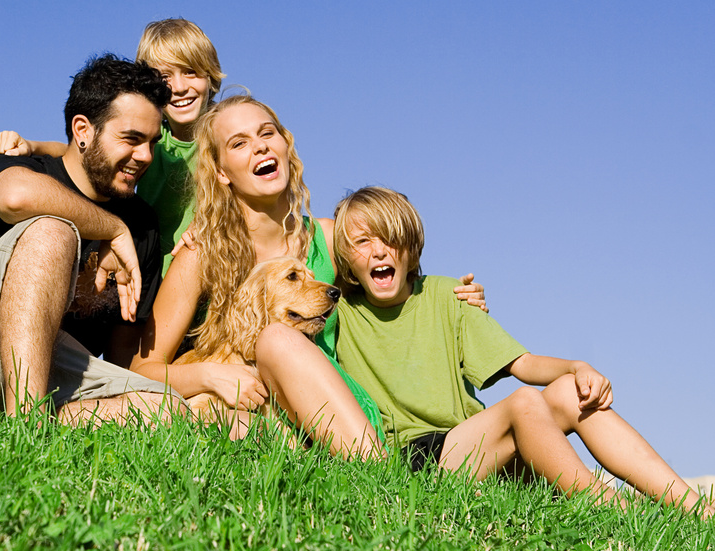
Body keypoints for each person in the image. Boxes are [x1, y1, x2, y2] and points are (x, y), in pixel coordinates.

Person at [128, 95, 486, 459]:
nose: (260, 146)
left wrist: (454, 297)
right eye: (239, 143)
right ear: (220, 172)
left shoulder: (328, 239)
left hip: (341, 415)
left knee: (276, 341)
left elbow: (395, 279)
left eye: (267, 133)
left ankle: (372, 467)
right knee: (225, 421)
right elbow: (143, 370)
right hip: (256, 408)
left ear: (285, 145)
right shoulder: (202, 253)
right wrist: (211, 376)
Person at [332, 186, 714, 515]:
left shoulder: (448, 295)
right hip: (417, 460)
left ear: (412, 248)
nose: (378, 252)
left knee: (571, 391)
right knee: (523, 402)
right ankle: (606, 505)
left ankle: (694, 508)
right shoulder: (338, 313)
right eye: (362, 242)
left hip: (476, 444)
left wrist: (577, 366)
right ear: (346, 257)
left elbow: (522, 363)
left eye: (390, 239)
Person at [0, 54, 185, 427]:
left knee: (168, 410)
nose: (145, 156)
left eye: (152, 142)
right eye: (131, 139)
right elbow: (14, 197)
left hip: (60, 375)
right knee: (54, 231)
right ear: (83, 130)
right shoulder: (26, 167)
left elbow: (121, 359)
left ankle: (27, 419)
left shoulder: (142, 225)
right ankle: (25, 425)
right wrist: (112, 228)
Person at [0, 19, 224, 275]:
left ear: (210, 75)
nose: (179, 88)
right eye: (165, 77)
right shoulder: (154, 138)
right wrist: (33, 146)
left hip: (207, 265)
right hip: (156, 271)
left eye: (190, 71)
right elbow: (85, 153)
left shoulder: (226, 136)